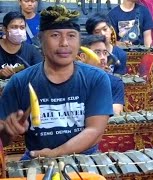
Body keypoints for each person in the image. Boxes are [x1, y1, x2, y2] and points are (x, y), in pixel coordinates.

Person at [0, 5, 113, 160]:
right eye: (55, 35)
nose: (64, 43)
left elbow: (95, 131)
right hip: (36, 158)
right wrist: (8, 130)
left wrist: (55, 154)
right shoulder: (20, 82)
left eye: (72, 36)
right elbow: (3, 140)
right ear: (40, 40)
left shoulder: (96, 78)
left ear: (79, 40)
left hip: (85, 159)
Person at [80, 35, 125, 115]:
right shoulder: (74, 81)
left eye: (104, 53)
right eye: (97, 53)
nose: (103, 58)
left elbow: (116, 112)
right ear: (83, 57)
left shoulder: (114, 82)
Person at [0, 11, 42, 79]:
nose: (19, 31)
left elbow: (41, 74)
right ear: (4, 29)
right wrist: (1, 73)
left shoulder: (31, 51)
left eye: (22, 27)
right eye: (14, 27)